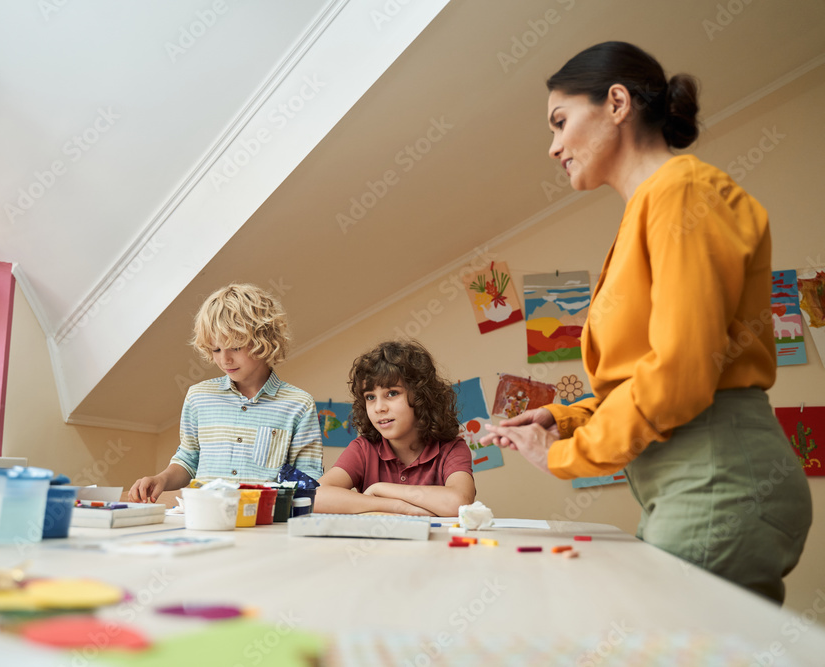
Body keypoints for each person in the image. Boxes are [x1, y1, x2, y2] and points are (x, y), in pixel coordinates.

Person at [480, 41, 812, 602]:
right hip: (693, 481)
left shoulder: (683, 192)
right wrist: (562, 420)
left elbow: (681, 375)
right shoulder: (652, 207)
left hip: (715, 480)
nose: (553, 145)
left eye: (560, 122)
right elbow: (648, 372)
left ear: (616, 103)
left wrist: (561, 458)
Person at [129, 284, 324, 502]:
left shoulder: (299, 404)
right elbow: (188, 460)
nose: (224, 359)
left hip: (263, 526)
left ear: (264, 341)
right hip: (204, 520)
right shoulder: (198, 397)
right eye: (216, 349)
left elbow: (309, 477)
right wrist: (162, 479)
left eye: (236, 347)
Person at [316, 340, 475, 517]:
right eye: (370, 397)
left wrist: (380, 488)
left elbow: (459, 504)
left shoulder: (452, 448)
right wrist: (398, 506)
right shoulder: (363, 448)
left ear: (421, 396)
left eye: (392, 393)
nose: (379, 408)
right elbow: (315, 496)